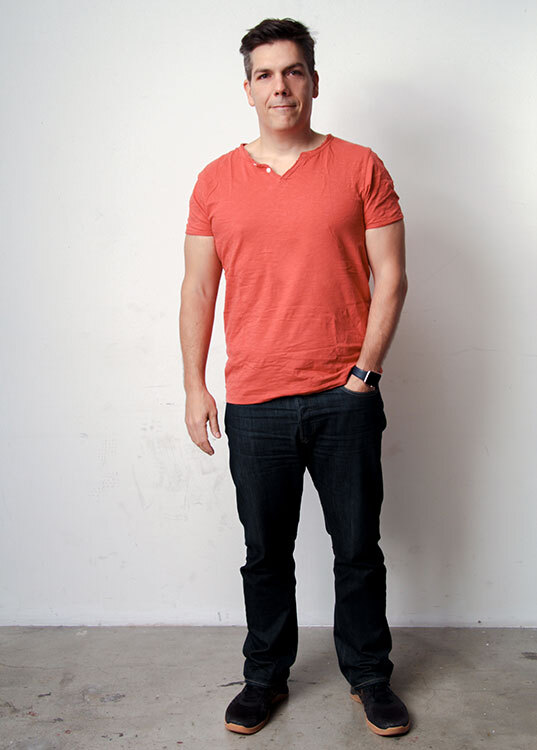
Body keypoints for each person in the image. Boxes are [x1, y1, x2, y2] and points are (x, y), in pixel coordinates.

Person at [179, 17, 410, 738]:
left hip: (343, 396)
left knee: (357, 552)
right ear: (247, 89)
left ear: (313, 80)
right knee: (264, 556)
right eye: (265, 75)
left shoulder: (360, 167)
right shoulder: (214, 181)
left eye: (292, 71)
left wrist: (364, 373)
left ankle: (369, 677)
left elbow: (392, 276)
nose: (280, 86)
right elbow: (198, 289)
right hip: (254, 400)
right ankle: (263, 679)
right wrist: (194, 385)